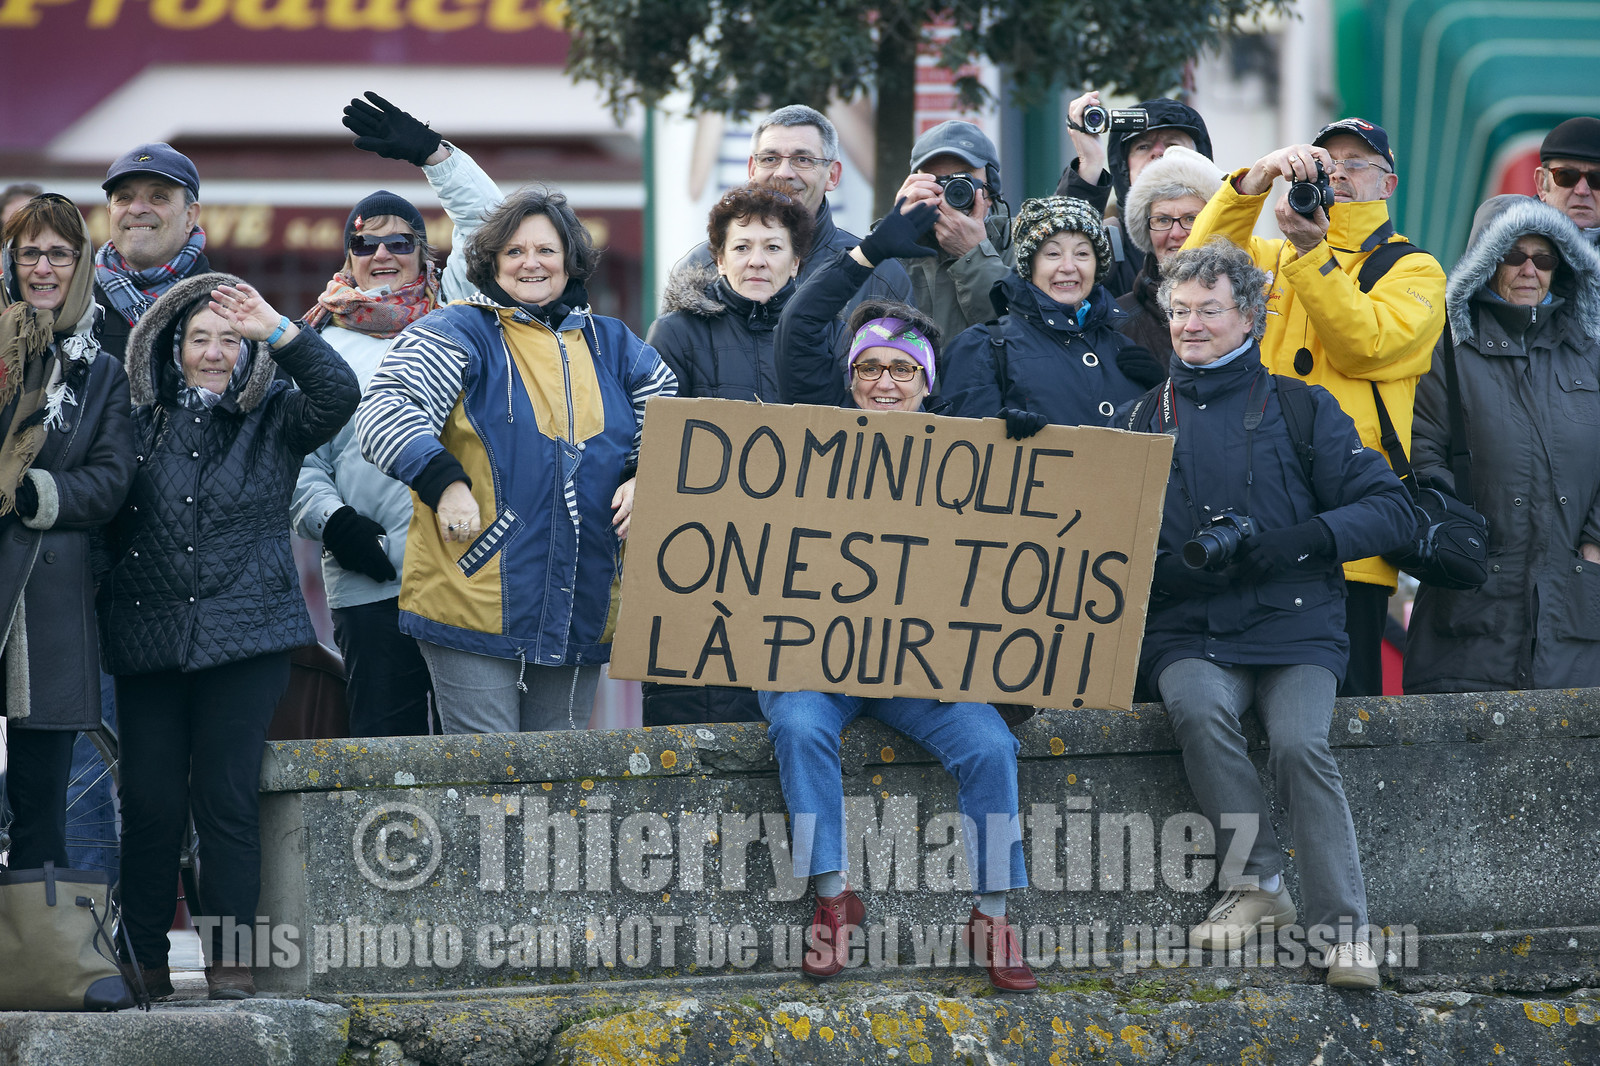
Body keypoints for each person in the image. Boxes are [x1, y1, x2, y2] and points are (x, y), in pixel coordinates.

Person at [1127, 239, 1412, 990]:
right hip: (1191, 629)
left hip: (1297, 625)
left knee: (1298, 744)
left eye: (1208, 311)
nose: (1190, 325)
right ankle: (1257, 885)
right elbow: (1107, 548)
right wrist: (1166, 572)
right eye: (1179, 311)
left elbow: (1390, 511)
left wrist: (1300, 543)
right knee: (1195, 711)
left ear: (1249, 316)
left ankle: (1345, 934)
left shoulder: (1301, 404)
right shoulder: (1141, 416)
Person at [769, 230, 1034, 991]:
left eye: (902, 371)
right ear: (850, 379)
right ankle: (832, 899)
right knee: (796, 725)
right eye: (871, 369)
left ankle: (992, 913)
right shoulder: (808, 447)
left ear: (927, 384)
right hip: (819, 660)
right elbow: (799, 328)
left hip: (924, 664)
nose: (885, 384)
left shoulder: (968, 464)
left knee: (988, 747)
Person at [103, 272, 359, 1001]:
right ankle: (143, 958)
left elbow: (340, 395)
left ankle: (232, 962)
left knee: (228, 801)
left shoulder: (275, 413)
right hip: (148, 634)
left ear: (246, 351)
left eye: (227, 340)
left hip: (247, 638)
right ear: (169, 348)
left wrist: (278, 329)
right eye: (198, 340)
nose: (213, 354)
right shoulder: (134, 415)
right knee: (151, 804)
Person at [354, 185, 675, 735]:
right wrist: (445, 483)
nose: (532, 263)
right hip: (470, 590)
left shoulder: (618, 346)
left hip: (583, 596)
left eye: (546, 250)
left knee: (559, 782)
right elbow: (385, 410)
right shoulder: (454, 330)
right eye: (515, 252)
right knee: (488, 781)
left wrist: (647, 479)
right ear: (492, 262)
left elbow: (671, 426)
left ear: (570, 259)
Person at [1184, 117, 1447, 698]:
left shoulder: (1416, 270)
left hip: (1347, 537)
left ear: (1389, 184)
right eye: (1327, 163)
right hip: (1256, 518)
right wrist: (1253, 181)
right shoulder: (1272, 256)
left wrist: (1312, 253)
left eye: (1356, 164)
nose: (1341, 175)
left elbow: (1367, 344)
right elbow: (1196, 271)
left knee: (1341, 715)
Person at [291, 93, 502, 738]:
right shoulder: (314, 342)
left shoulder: (461, 312)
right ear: (347, 256)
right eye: (366, 243)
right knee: (387, 754)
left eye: (400, 242)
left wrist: (435, 155)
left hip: (470, 568)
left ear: (424, 249)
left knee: (475, 751)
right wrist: (337, 526)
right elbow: (294, 460)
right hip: (370, 577)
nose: (383, 255)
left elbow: (495, 221)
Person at [1404, 196, 1600, 692]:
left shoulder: (1590, 352)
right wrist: (1460, 529)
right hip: (1469, 598)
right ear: (1486, 263)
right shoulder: (1446, 346)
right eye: (1514, 255)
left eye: (1545, 258)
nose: (1530, 269)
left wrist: (1596, 543)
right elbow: (1420, 450)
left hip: (1575, 605)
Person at [640, 183, 812, 727]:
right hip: (700, 562)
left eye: (771, 246)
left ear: (796, 259)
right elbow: (647, 438)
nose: (756, 260)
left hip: (798, 566)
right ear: (718, 258)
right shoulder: (676, 333)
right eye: (741, 247)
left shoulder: (823, 338)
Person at [0, 195, 134, 869]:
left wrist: (35, 492)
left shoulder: (101, 369)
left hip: (48, 608)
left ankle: (33, 961)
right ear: (10, 262)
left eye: (59, 253)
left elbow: (112, 481)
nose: (44, 268)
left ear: (80, 264)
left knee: (40, 804)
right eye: (30, 253)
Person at [672, 105, 910, 318]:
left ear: (833, 175)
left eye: (803, 159)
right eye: (770, 158)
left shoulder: (879, 278)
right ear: (752, 169)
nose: (783, 173)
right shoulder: (700, 270)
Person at [939, 196, 1152, 433]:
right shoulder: (983, 346)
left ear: (1097, 265)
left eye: (1082, 254)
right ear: (1030, 266)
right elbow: (964, 452)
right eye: (1053, 254)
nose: (1069, 267)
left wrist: (1159, 391)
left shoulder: (1122, 345)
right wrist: (999, 435)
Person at [1058, 93, 1215, 297]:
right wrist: (1089, 163)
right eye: (1143, 146)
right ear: (1125, 170)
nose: (1158, 152)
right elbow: (1058, 267)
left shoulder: (1229, 235)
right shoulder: (1110, 248)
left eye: (1172, 145)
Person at [892, 120, 1015, 341]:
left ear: (992, 186)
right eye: (937, 183)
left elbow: (1024, 332)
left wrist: (974, 254)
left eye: (962, 181)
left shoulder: (1024, 242)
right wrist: (891, 237)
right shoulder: (893, 248)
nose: (949, 195)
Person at [92, 144, 210, 360]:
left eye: (158, 196)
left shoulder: (231, 305)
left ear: (191, 216)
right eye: (124, 197)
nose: (136, 209)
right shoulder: (75, 304)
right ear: (110, 213)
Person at [1118, 146, 1226, 359]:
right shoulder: (1118, 320)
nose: (1176, 233)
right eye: (1163, 220)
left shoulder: (1251, 305)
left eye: (1190, 219)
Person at [1535, 117, 1600, 241]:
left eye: (1597, 178)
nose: (1582, 191)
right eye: (1566, 176)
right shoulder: (1511, 253)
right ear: (1541, 184)